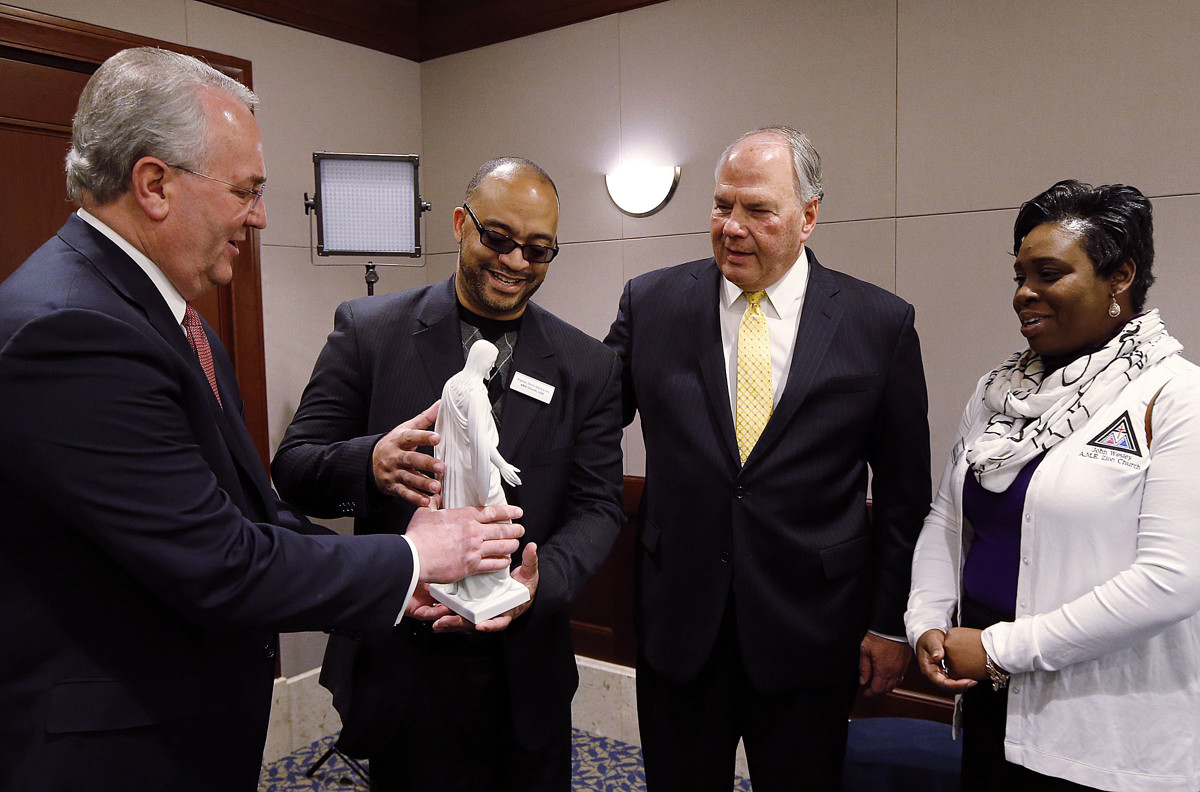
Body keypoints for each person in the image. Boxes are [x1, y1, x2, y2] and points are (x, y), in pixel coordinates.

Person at [0, 47, 524, 792]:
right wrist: (414, 555)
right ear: (153, 184)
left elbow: (250, 515)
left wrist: (396, 582)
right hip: (114, 748)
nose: (263, 214)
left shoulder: (172, 321)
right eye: (247, 189)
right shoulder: (73, 331)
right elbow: (218, 562)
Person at [272, 156, 624, 792]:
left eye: (539, 250)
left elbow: (599, 507)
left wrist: (533, 589)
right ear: (462, 223)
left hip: (526, 670)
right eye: (499, 238)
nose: (517, 262)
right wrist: (370, 463)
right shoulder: (368, 330)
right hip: (408, 662)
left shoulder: (588, 366)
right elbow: (294, 470)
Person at [603, 126, 931, 791]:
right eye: (723, 205)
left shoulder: (879, 323)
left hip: (812, 629)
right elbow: (590, 420)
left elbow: (903, 491)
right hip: (680, 623)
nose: (732, 227)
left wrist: (890, 623)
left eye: (757, 210)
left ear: (808, 216)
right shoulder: (652, 304)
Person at [906, 180, 1200, 791]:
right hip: (988, 696)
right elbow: (947, 518)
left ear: (1120, 277)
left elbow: (1173, 580)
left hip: (1106, 726)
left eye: (1048, 273)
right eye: (1018, 275)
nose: (1023, 294)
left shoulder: (1177, 396)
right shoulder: (999, 393)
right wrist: (926, 621)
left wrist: (1003, 649)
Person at [429, 339, 527, 617]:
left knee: (460, 524)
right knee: (496, 522)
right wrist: (502, 464)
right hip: (474, 469)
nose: (493, 367)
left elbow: (444, 430)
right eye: (491, 361)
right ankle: (486, 588)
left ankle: (463, 583)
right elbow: (479, 441)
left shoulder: (452, 383)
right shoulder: (475, 392)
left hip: (455, 469)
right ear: (482, 360)